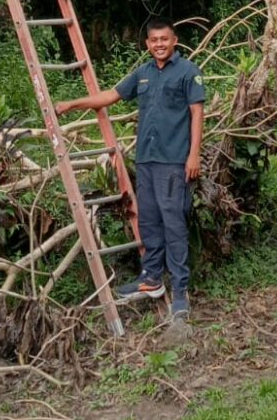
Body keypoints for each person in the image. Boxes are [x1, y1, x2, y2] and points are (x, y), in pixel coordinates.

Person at [55, 18, 204, 323]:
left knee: (173, 223)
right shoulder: (144, 73)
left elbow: (197, 113)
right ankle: (151, 277)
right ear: (147, 44)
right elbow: (110, 95)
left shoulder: (188, 72)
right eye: (153, 40)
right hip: (147, 161)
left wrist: (194, 156)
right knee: (148, 219)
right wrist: (72, 104)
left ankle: (180, 292)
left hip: (174, 162)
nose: (159, 44)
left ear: (174, 41)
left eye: (164, 39)